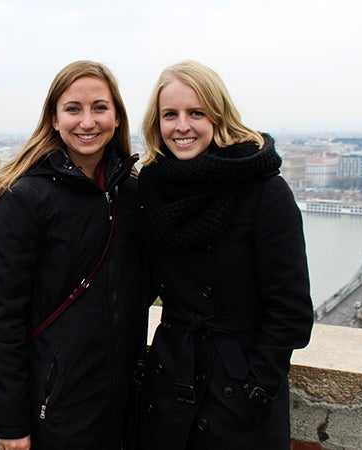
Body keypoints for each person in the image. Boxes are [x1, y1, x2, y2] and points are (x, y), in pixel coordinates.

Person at [135, 60, 314, 449]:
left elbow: (291, 312)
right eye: (170, 115)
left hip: (237, 397)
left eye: (195, 113)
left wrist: (254, 393)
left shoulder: (264, 191)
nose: (181, 126)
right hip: (168, 384)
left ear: (218, 116)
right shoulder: (152, 189)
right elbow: (136, 284)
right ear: (157, 123)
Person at [0, 60, 146, 450]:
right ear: (54, 119)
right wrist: (11, 424)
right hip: (56, 409)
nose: (87, 121)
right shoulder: (25, 200)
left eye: (99, 108)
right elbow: (3, 319)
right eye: (73, 109)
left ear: (118, 118)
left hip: (126, 404)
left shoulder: (132, 193)